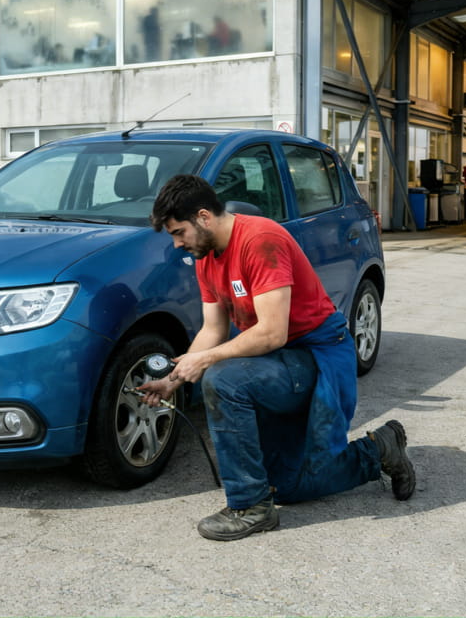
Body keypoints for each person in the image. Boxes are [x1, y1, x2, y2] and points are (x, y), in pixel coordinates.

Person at [141, 174, 415, 541]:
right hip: (279, 362)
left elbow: (272, 332)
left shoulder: (260, 240)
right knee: (290, 486)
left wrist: (204, 362)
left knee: (222, 379)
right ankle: (380, 449)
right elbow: (212, 330)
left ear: (203, 217)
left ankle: (249, 506)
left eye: (178, 232)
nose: (176, 244)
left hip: (316, 355)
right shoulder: (207, 258)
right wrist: (171, 380)